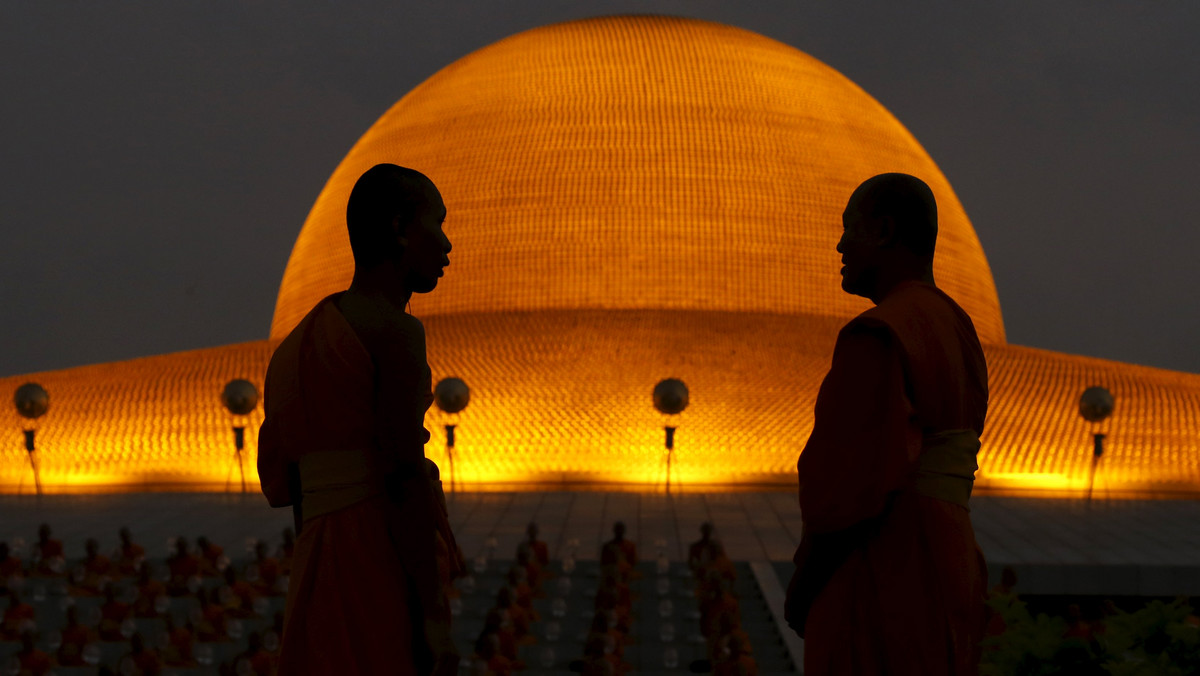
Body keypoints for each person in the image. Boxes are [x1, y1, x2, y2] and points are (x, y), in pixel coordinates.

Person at [258, 164, 463, 675]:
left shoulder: (295, 347)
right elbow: (401, 474)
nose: (446, 246)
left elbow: (293, 486)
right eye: (435, 224)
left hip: (316, 559)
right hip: (374, 557)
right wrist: (432, 613)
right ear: (398, 228)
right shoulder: (393, 332)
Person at [784, 174, 989, 675]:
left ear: (882, 230)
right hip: (951, 557)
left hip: (887, 564)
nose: (839, 245)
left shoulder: (880, 334)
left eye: (848, 229)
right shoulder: (956, 325)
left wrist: (805, 584)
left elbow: (851, 483)